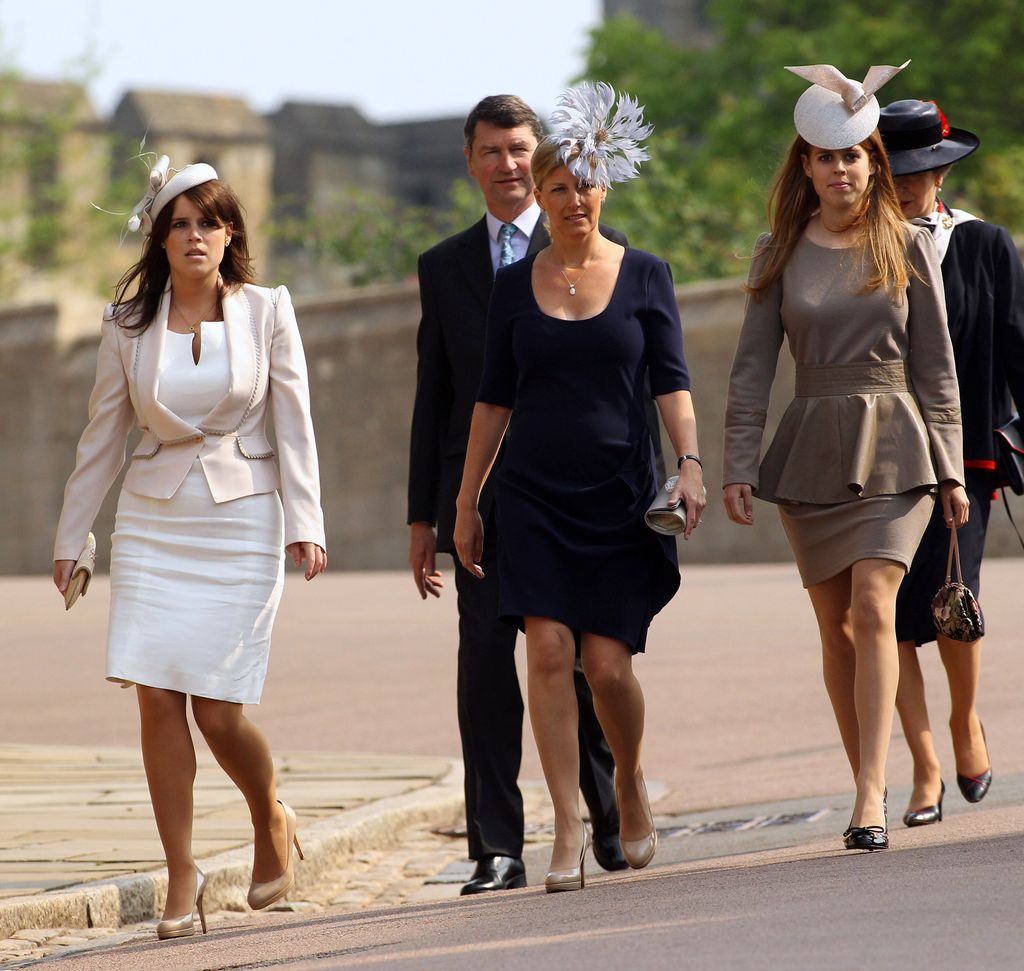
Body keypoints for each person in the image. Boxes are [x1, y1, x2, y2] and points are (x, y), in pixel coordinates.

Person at [53, 158, 326, 939]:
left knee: (218, 707)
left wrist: (308, 521)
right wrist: (73, 537)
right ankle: (182, 870)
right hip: (151, 520)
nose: (194, 234)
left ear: (230, 230)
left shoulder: (269, 310)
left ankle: (269, 816)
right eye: (179, 223)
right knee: (155, 696)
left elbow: (294, 423)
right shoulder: (126, 325)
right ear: (160, 237)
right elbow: (102, 438)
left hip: (243, 519)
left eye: (208, 220)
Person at [454, 82, 705, 892]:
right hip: (532, 495)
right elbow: (493, 400)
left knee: (609, 667)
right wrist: (466, 502)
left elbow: (671, 382)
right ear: (543, 194)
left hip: (620, 496)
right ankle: (564, 821)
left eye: (582, 185)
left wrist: (690, 463)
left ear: (605, 187)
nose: (570, 199)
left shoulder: (645, 276)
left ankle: (628, 780)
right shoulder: (511, 288)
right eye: (554, 186)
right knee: (550, 651)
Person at [723, 63, 969, 852]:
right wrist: (736, 462)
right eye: (825, 157)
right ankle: (862, 768)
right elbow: (753, 367)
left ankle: (871, 790)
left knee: (874, 605)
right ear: (806, 166)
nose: (839, 169)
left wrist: (954, 465)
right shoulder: (779, 252)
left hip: (899, 443)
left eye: (854, 156)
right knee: (836, 630)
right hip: (813, 451)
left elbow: (937, 365)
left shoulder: (905, 244)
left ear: (874, 163)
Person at [408, 95, 631, 894]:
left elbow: (629, 383)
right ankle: (496, 845)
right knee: (484, 670)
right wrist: (423, 515)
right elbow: (436, 395)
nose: (506, 164)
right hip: (483, 507)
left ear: (541, 162)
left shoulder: (601, 248)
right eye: (491, 150)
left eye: (519, 149)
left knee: (579, 661)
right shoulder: (443, 266)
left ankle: (605, 813)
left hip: (577, 491)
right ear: (470, 162)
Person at [878, 99, 1024, 825]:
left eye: (921, 170)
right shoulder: (859, 247)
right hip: (881, 459)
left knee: (952, 601)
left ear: (942, 170)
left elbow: (1019, 349)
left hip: (969, 456)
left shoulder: (988, 245)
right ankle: (925, 761)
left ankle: (966, 718)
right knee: (891, 616)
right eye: (892, 170)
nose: (906, 184)